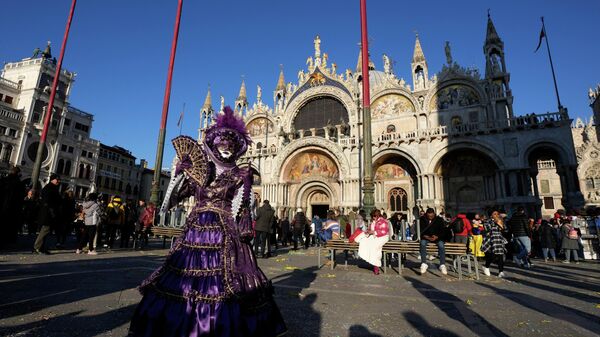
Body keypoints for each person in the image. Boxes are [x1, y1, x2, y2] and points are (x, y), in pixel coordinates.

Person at [130, 107, 286, 336]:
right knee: (183, 278)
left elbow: (242, 208)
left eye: (231, 146)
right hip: (195, 232)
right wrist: (180, 173)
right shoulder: (200, 171)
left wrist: (244, 230)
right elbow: (172, 200)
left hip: (225, 232)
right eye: (222, 145)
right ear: (213, 144)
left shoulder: (241, 173)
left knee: (228, 279)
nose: (226, 149)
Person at [354, 209, 390, 275]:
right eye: (373, 216)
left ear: (378, 216)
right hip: (374, 236)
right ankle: (372, 262)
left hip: (382, 237)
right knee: (365, 241)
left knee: (375, 247)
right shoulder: (373, 222)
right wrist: (368, 232)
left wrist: (374, 232)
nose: (373, 217)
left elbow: (384, 231)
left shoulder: (383, 221)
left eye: (375, 216)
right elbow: (370, 229)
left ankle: (376, 266)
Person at [33, 174, 61, 254]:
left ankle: (41, 247)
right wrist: (51, 211)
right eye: (57, 179)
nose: (58, 181)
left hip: (50, 212)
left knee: (46, 231)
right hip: (47, 213)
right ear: (52, 179)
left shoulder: (52, 188)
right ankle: (37, 247)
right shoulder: (49, 188)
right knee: (45, 230)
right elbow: (47, 202)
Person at [0, 166, 26, 248]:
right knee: (9, 225)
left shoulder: (4, 180)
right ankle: (7, 240)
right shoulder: (19, 183)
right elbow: (21, 197)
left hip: (3, 206)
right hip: (13, 208)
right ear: (18, 173)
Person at [419, 208, 447, 275]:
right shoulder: (422, 219)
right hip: (426, 237)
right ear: (426, 214)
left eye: (431, 216)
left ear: (434, 214)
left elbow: (443, 231)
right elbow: (420, 230)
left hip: (437, 238)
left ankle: (442, 264)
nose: (430, 218)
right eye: (429, 216)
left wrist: (437, 236)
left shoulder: (439, 220)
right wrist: (427, 237)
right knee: (422, 243)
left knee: (441, 245)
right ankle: (424, 263)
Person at [481, 209, 509, 278]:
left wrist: (500, 224)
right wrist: (495, 222)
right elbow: (487, 229)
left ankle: (501, 271)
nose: (497, 215)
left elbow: (506, 230)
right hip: (491, 239)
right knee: (492, 255)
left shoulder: (500, 221)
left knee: (500, 256)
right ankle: (486, 266)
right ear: (491, 215)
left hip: (499, 239)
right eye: (495, 214)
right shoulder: (487, 221)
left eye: (497, 214)